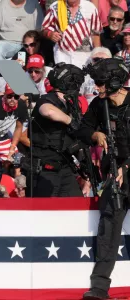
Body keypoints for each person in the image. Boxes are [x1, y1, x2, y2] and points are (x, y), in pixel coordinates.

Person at [76, 58, 130, 300]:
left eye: (100, 83)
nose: (96, 87)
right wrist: (95, 133)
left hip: (125, 169)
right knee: (108, 225)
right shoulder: (100, 105)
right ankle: (99, 287)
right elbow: (82, 130)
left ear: (115, 82)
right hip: (114, 175)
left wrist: (127, 167)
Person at [30, 62, 85, 197]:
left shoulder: (71, 106)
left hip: (65, 167)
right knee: (44, 212)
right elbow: (47, 111)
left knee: (76, 206)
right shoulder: (48, 99)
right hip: (45, 170)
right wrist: (70, 121)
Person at [42, 0, 102, 68]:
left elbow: (95, 34)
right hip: (62, 56)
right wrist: (50, 34)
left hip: (85, 58)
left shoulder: (90, 8)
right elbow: (44, 29)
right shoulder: (55, 7)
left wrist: (98, 56)